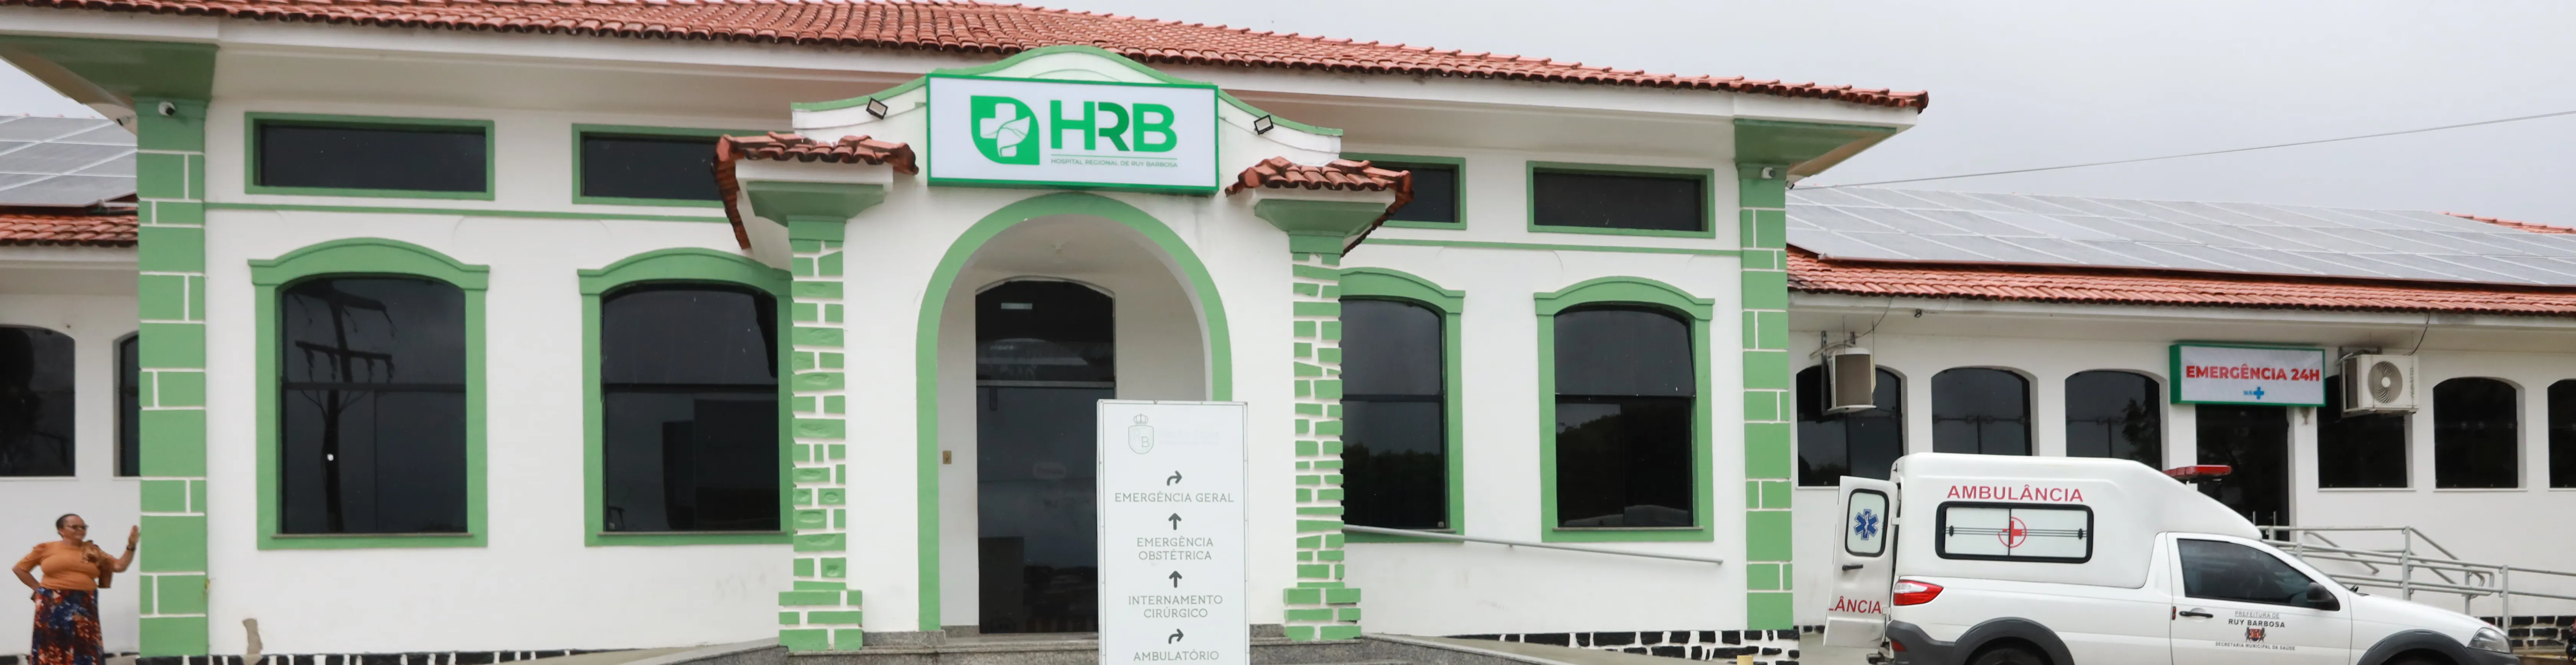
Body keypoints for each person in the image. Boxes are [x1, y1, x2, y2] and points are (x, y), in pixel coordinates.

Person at [13, 515, 138, 665]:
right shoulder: (46, 548)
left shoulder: (92, 551)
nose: (80, 530)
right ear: (61, 530)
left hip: (84, 603)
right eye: (75, 527)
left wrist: (131, 546)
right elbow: (20, 569)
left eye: (83, 527)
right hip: (52, 602)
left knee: (85, 644)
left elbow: (119, 566)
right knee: (52, 642)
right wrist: (39, 590)